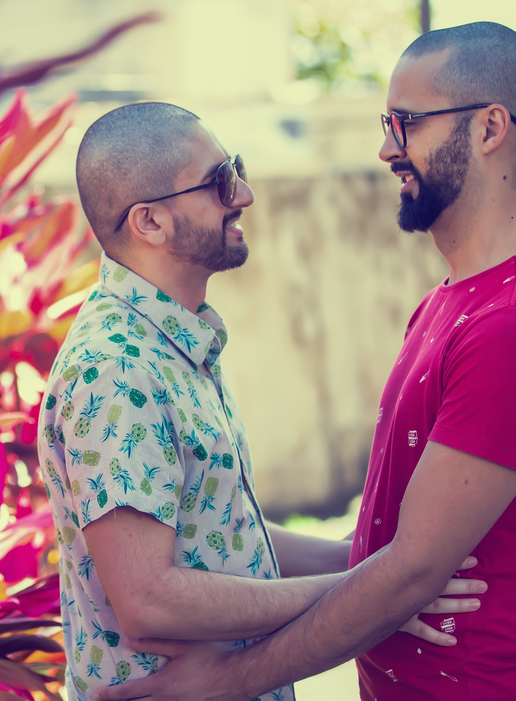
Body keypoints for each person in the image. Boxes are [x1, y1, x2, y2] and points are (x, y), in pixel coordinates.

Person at [97, 22, 516, 701]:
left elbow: (408, 574)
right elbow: (384, 556)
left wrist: (222, 683)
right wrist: (369, 574)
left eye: (407, 123)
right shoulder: (450, 303)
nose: (386, 148)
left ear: (489, 130)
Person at [38, 102, 484, 701]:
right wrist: (377, 594)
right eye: (221, 180)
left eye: (237, 170)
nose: (243, 194)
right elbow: (150, 601)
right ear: (150, 223)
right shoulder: (116, 369)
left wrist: (380, 563)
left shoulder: (167, 344)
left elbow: (224, 538)